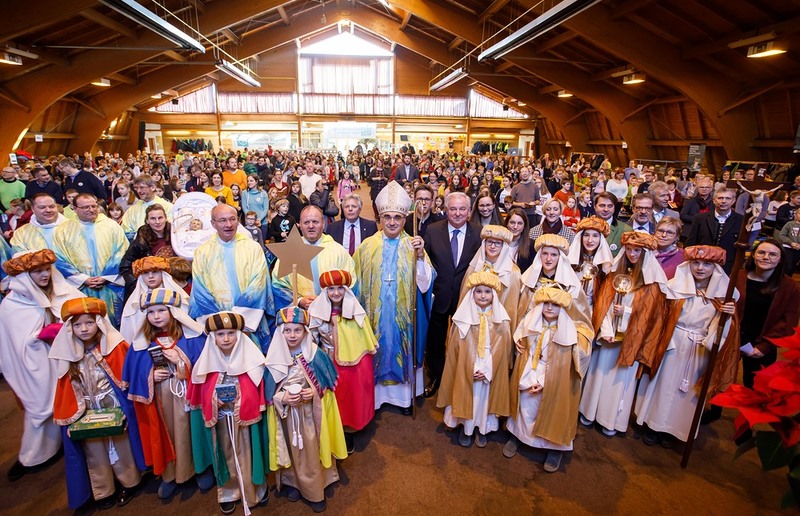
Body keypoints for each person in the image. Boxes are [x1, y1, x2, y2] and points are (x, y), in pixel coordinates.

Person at [635, 246, 738, 447]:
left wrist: (727, 317)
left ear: (715, 268)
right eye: (696, 263)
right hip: (672, 344)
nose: (700, 268)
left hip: (700, 348)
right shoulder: (675, 286)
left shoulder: (724, 294)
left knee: (688, 393)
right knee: (662, 387)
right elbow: (661, 317)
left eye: (707, 264)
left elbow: (727, 328)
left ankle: (674, 430)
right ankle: (653, 425)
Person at [49, 298, 145, 510]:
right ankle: (103, 490)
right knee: (94, 451)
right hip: (87, 412)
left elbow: (127, 376)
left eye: (89, 323)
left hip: (114, 406)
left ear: (99, 323)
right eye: (77, 324)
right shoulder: (68, 355)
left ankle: (129, 482)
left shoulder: (114, 346)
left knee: (122, 445)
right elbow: (66, 386)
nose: (83, 329)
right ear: (69, 328)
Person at [0, 250, 83, 482]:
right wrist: (41, 335)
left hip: (69, 358)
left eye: (47, 269)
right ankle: (34, 456)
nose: (45, 275)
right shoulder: (12, 305)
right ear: (25, 275)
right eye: (37, 271)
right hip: (37, 364)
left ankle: (75, 446)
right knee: (41, 407)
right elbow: (16, 343)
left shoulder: (62, 291)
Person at [122, 288, 213, 499]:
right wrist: (150, 377)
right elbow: (133, 374)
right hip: (160, 400)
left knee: (192, 430)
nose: (156, 316)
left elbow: (205, 368)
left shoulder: (192, 338)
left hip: (188, 397)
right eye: (151, 312)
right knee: (167, 434)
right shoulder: (140, 344)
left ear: (173, 311)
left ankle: (200, 468)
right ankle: (170, 474)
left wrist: (180, 361)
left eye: (161, 311)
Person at [353, 181, 434, 414]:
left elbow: (426, 284)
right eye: (387, 217)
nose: (391, 222)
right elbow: (355, 281)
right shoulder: (366, 247)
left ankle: (404, 399)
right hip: (375, 317)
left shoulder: (413, 245)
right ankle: (376, 399)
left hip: (404, 318)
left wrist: (419, 258)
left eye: (397, 218)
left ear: (404, 219)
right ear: (380, 218)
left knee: (401, 346)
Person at [578, 232, 669, 436]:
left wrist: (626, 314)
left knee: (618, 382)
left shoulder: (650, 282)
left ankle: (610, 420)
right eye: (629, 249)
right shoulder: (615, 274)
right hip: (609, 338)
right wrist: (608, 328)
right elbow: (604, 304)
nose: (632, 254)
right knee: (598, 375)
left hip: (630, 339)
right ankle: (589, 411)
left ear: (645, 253)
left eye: (637, 250)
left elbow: (650, 316)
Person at [264, 306, 347, 513]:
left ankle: (314, 490)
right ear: (280, 332)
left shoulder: (315, 355)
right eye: (287, 330)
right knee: (291, 451)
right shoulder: (273, 359)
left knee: (310, 451)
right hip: (286, 415)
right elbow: (268, 395)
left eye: (297, 330)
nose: (292, 335)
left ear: (305, 332)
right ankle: (293, 483)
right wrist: (282, 397)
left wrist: (315, 393)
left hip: (311, 415)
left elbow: (327, 388)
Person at [187, 312, 270, 515]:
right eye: (220, 334)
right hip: (222, 423)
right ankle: (229, 493)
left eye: (231, 333)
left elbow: (256, 392)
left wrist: (241, 400)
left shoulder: (253, 361)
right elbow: (200, 395)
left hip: (245, 424)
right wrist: (215, 400)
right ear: (212, 337)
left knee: (249, 456)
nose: (225, 338)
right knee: (225, 456)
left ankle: (254, 491)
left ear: (239, 335)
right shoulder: (205, 365)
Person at [504, 287, 593, 472]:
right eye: (546, 304)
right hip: (530, 370)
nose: (550, 308)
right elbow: (523, 344)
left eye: (555, 305)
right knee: (527, 406)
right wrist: (529, 377)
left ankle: (555, 448)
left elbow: (566, 365)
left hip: (555, 378)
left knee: (553, 410)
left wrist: (544, 382)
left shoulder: (569, 332)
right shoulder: (532, 321)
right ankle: (519, 435)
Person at [437, 272, 512, 448]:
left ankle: (482, 428)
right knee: (468, 396)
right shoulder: (462, 319)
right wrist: (470, 368)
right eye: (479, 291)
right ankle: (466, 426)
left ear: (494, 294)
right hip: (467, 367)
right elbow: (455, 350)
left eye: (487, 291)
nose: (483, 295)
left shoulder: (502, 321)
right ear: (472, 294)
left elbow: (502, 351)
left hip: (488, 369)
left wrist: (486, 370)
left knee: (483, 401)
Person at [308, 269, 378, 453]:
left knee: (347, 398)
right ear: (325, 291)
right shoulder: (317, 312)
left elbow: (362, 339)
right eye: (331, 289)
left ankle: (347, 430)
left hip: (349, 365)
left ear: (346, 290)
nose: (336, 293)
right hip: (326, 362)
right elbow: (312, 339)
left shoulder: (355, 313)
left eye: (340, 288)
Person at [190, 204, 273, 350]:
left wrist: (240, 320)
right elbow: (200, 290)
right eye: (222, 221)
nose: (228, 225)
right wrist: (220, 323)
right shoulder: (202, 252)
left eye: (232, 219)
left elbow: (258, 284)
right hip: (219, 329)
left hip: (248, 324)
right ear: (213, 224)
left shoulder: (253, 248)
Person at [423, 191, 481, 399]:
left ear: (469, 211)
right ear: (445, 210)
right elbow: (424, 264)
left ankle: (460, 377)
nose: (457, 213)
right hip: (438, 296)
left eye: (462, 209)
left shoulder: (479, 232)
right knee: (436, 340)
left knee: (465, 339)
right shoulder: (432, 231)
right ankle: (437, 376)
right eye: (453, 209)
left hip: (467, 298)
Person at [52, 193, 129, 327]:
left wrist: (106, 277)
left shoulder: (112, 226)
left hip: (109, 285)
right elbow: (59, 258)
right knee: (86, 326)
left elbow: (121, 251)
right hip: (79, 287)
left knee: (114, 325)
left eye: (94, 206)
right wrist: (83, 278)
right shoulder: (63, 230)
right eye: (86, 207)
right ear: (74, 208)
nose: (92, 210)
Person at [735, 239, 800, 389]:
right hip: (733, 338)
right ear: (753, 255)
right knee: (720, 380)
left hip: (763, 343)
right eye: (761, 252)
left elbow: (788, 322)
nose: (766, 257)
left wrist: (764, 347)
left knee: (756, 388)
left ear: (780, 259)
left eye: (773, 254)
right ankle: (714, 412)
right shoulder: (738, 277)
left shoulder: (790, 287)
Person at [272, 205, 355, 311]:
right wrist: (299, 300)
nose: (311, 226)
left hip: (331, 313)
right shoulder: (289, 251)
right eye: (306, 222)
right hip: (300, 317)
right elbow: (278, 284)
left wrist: (329, 300)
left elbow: (351, 283)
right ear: (300, 225)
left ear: (323, 224)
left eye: (315, 222)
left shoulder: (338, 251)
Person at [458, 225, 525, 330]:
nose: (492, 246)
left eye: (497, 243)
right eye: (489, 242)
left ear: (504, 246)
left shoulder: (513, 273)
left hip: (498, 328)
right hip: (474, 324)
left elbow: (511, 307)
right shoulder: (475, 268)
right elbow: (464, 299)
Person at [119, 256, 188, 343]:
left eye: (155, 272)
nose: (150, 276)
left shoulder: (176, 295)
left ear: (163, 274)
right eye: (146, 273)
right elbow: (129, 332)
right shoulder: (134, 302)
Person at [119, 204, 176, 301]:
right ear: (147, 221)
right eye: (153, 219)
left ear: (166, 218)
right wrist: (138, 285)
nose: (157, 222)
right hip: (148, 289)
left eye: (160, 218)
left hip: (173, 284)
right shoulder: (141, 241)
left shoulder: (176, 236)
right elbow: (125, 266)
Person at [685, 187, 743, 274]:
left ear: (733, 201)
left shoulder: (740, 220)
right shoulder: (700, 218)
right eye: (720, 198)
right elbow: (691, 243)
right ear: (714, 200)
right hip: (702, 265)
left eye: (728, 198)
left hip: (728, 267)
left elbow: (740, 249)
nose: (723, 201)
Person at [567, 216, 614, 307]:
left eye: (595, 236)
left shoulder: (605, 266)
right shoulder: (570, 262)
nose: (590, 240)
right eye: (586, 235)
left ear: (601, 239)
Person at [121, 175, 174, 240]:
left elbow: (171, 228)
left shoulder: (167, 207)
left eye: (142, 187)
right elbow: (126, 229)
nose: (138, 191)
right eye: (136, 188)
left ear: (153, 187)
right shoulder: (133, 209)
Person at [593, 192, 632, 256]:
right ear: (595, 206)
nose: (606, 209)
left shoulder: (626, 231)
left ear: (614, 208)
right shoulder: (584, 227)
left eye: (610, 206)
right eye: (602, 205)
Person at [505, 207, 534, 273]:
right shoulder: (499, 242)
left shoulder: (531, 245)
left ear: (524, 226)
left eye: (520, 223)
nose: (515, 227)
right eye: (512, 222)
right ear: (507, 223)